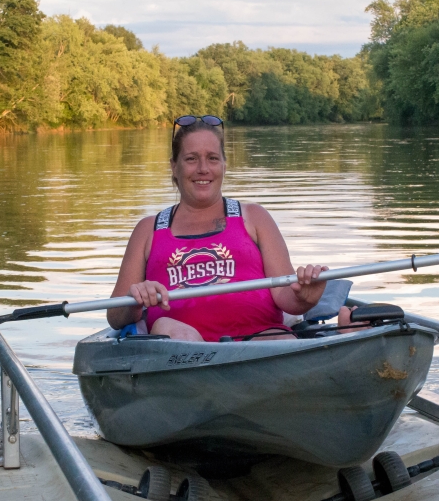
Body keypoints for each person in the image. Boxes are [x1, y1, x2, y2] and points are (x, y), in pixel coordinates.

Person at [107, 115, 353, 342]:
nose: (203, 168)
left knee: (280, 338)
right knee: (167, 327)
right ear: (174, 166)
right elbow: (115, 317)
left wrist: (305, 298)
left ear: (224, 164)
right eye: (191, 158)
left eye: (212, 158)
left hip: (258, 340)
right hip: (182, 352)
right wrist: (135, 299)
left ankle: (346, 338)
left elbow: (286, 299)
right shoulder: (148, 230)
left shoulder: (254, 217)